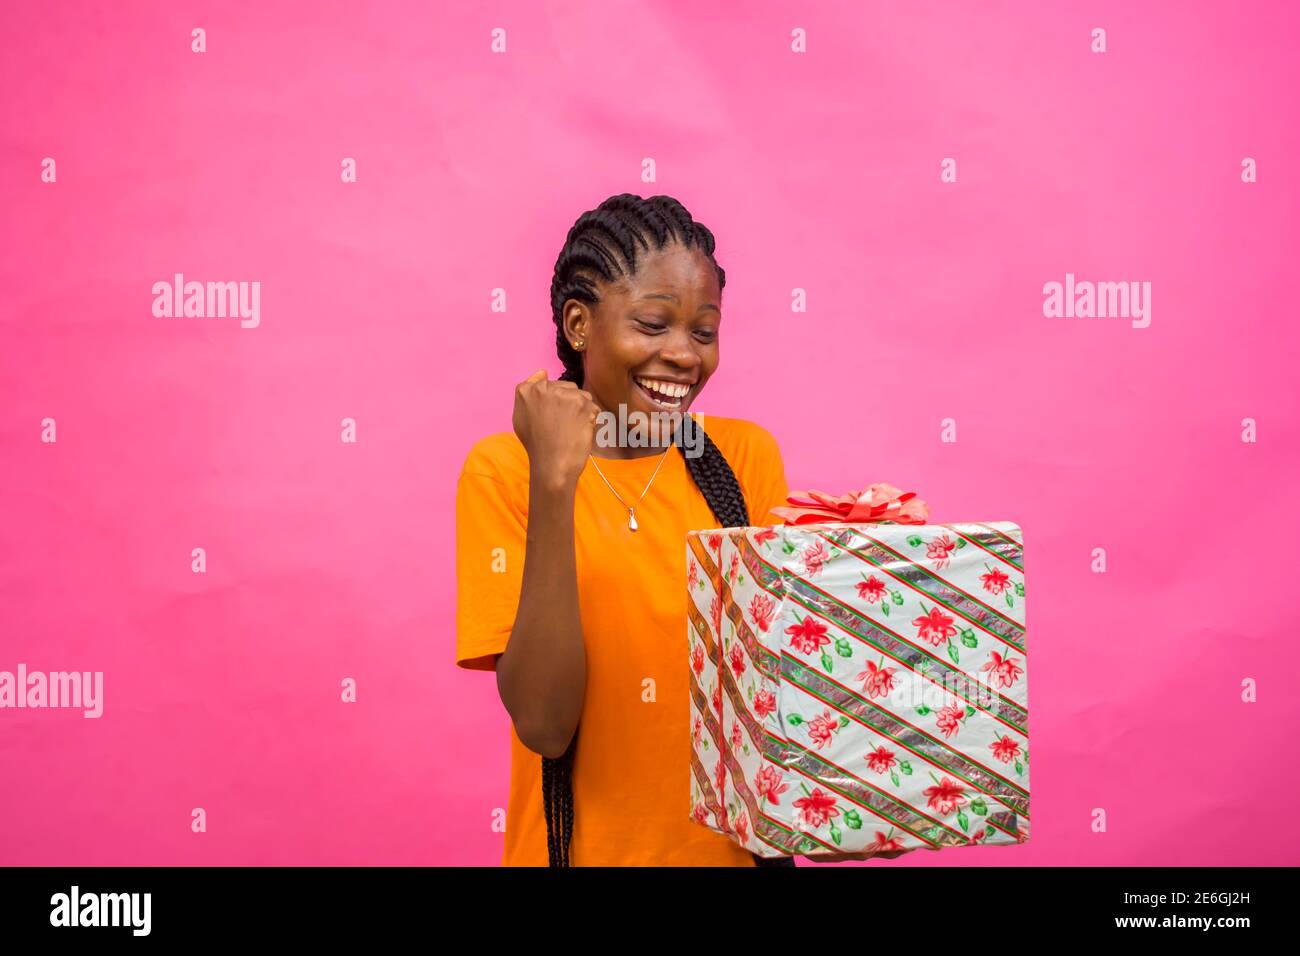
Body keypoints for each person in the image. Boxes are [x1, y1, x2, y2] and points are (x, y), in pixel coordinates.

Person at [454, 193, 903, 866]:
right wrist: (554, 480)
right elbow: (546, 726)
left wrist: (852, 803)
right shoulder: (505, 471)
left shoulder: (743, 460)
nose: (684, 356)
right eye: (654, 323)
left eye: (703, 331)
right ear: (579, 324)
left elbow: (779, 688)